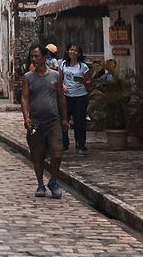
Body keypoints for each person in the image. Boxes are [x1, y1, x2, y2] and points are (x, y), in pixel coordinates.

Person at [21, 45, 68, 198]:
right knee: (37, 155)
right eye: (32, 56)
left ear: (45, 57)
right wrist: (26, 117)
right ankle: (40, 184)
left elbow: (61, 97)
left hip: (53, 120)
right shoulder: (28, 77)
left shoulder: (55, 75)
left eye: (36, 56)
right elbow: (25, 98)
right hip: (36, 122)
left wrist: (65, 118)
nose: (33, 59)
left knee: (57, 153)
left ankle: (53, 180)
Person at [60, 43, 92, 154]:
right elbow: (59, 79)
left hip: (80, 96)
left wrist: (83, 81)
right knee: (64, 120)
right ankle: (64, 144)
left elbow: (89, 81)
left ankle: (81, 144)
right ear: (68, 51)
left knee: (80, 122)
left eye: (75, 50)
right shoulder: (63, 64)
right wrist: (62, 86)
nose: (73, 52)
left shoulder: (83, 67)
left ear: (79, 54)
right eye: (71, 50)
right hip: (67, 97)